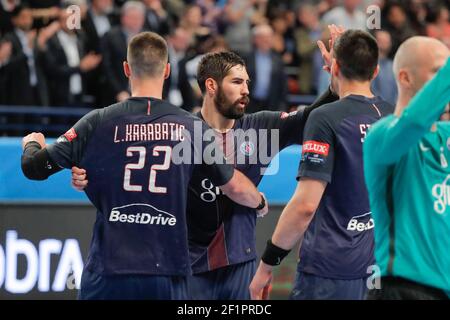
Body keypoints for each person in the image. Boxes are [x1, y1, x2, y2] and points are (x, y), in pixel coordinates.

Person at [72, 50, 339, 299]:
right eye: (236, 82)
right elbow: (132, 167)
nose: (246, 90)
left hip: (240, 266)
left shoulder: (262, 128)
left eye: (247, 82)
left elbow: (309, 118)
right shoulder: (179, 130)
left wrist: (335, 81)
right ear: (211, 86)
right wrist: (88, 175)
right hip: (187, 268)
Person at [20, 31, 267, 300]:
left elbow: (34, 168)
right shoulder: (192, 127)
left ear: (126, 69)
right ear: (167, 71)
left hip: (109, 269)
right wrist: (259, 202)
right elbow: (233, 185)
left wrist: (32, 143)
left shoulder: (97, 122)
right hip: (166, 274)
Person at [250, 28, 394, 300]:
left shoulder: (326, 118)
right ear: (375, 72)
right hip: (378, 268)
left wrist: (266, 265)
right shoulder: (390, 115)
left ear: (334, 66)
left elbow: (304, 207)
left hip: (330, 271)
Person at [364, 37, 450, 300]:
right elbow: (414, 121)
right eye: (439, 71)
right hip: (402, 289)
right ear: (405, 78)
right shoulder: (381, 135)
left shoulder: (444, 136)